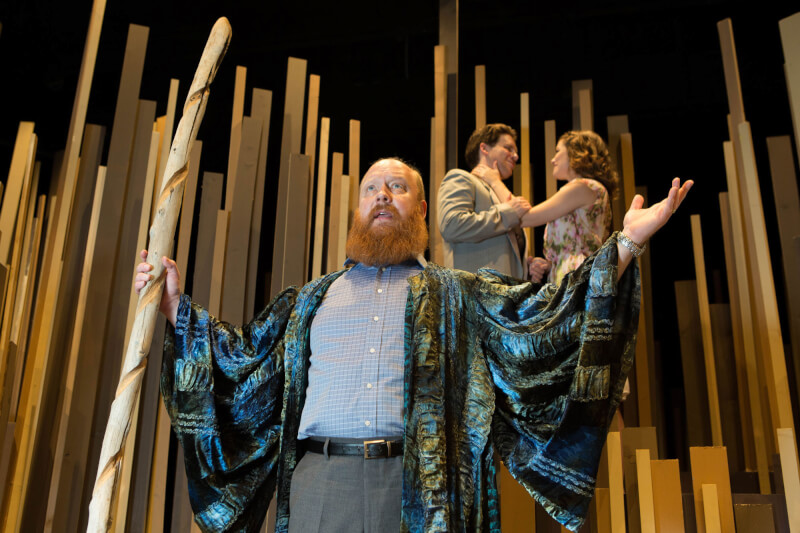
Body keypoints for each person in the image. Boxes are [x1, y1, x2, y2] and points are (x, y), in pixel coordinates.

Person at [135, 157, 692, 532]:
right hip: (319, 487)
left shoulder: (460, 295)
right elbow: (243, 361)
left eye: (398, 188)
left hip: (424, 494)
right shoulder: (308, 302)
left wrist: (625, 243)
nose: (383, 196)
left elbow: (544, 317)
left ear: (421, 211)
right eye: (371, 190)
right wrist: (176, 311)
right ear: (357, 212)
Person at [472, 130, 616, 285]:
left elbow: (526, 217)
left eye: (558, 151)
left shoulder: (583, 187)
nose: (553, 159)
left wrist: (495, 182)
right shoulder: (591, 189)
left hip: (577, 279)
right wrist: (549, 266)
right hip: (576, 275)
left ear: (577, 154)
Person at [437, 124, 532, 279]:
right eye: (509, 148)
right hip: (476, 298)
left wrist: (528, 265)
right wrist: (507, 213)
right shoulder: (461, 178)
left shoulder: (500, 194)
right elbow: (451, 225)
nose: (516, 156)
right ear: (485, 149)